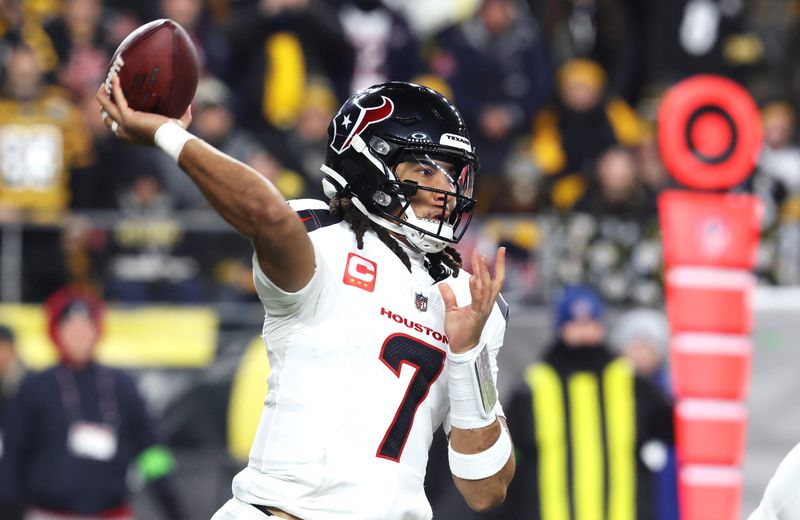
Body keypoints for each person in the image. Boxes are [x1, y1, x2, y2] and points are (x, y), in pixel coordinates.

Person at [97, 76, 515, 519]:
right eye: (425, 171)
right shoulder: (325, 245)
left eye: (450, 174)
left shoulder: (469, 300)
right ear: (370, 163)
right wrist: (170, 134)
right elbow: (267, 215)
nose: (443, 192)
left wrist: (468, 353)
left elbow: (485, 490)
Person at [0, 285, 186, 519]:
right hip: (49, 513)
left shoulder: (122, 386)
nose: (79, 334)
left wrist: (173, 506)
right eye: (70, 326)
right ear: (56, 331)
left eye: (85, 326)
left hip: (112, 512)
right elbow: (14, 457)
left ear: (97, 330)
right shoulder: (35, 388)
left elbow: (150, 450)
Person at [499, 285, 673, 519]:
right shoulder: (531, 387)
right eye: (575, 324)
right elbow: (507, 460)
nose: (583, 332)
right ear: (561, 328)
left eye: (590, 323)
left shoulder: (632, 383)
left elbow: (676, 431)